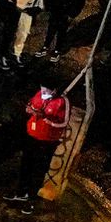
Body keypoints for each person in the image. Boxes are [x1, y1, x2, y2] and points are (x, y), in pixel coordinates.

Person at [13, 77, 70, 205]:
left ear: (55, 90)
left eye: (47, 90)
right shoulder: (39, 94)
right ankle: (20, 192)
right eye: (43, 89)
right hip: (31, 136)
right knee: (26, 165)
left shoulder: (62, 102)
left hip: (47, 141)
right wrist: (29, 110)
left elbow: (63, 122)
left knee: (39, 169)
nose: (44, 92)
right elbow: (31, 104)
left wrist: (47, 120)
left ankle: (31, 198)